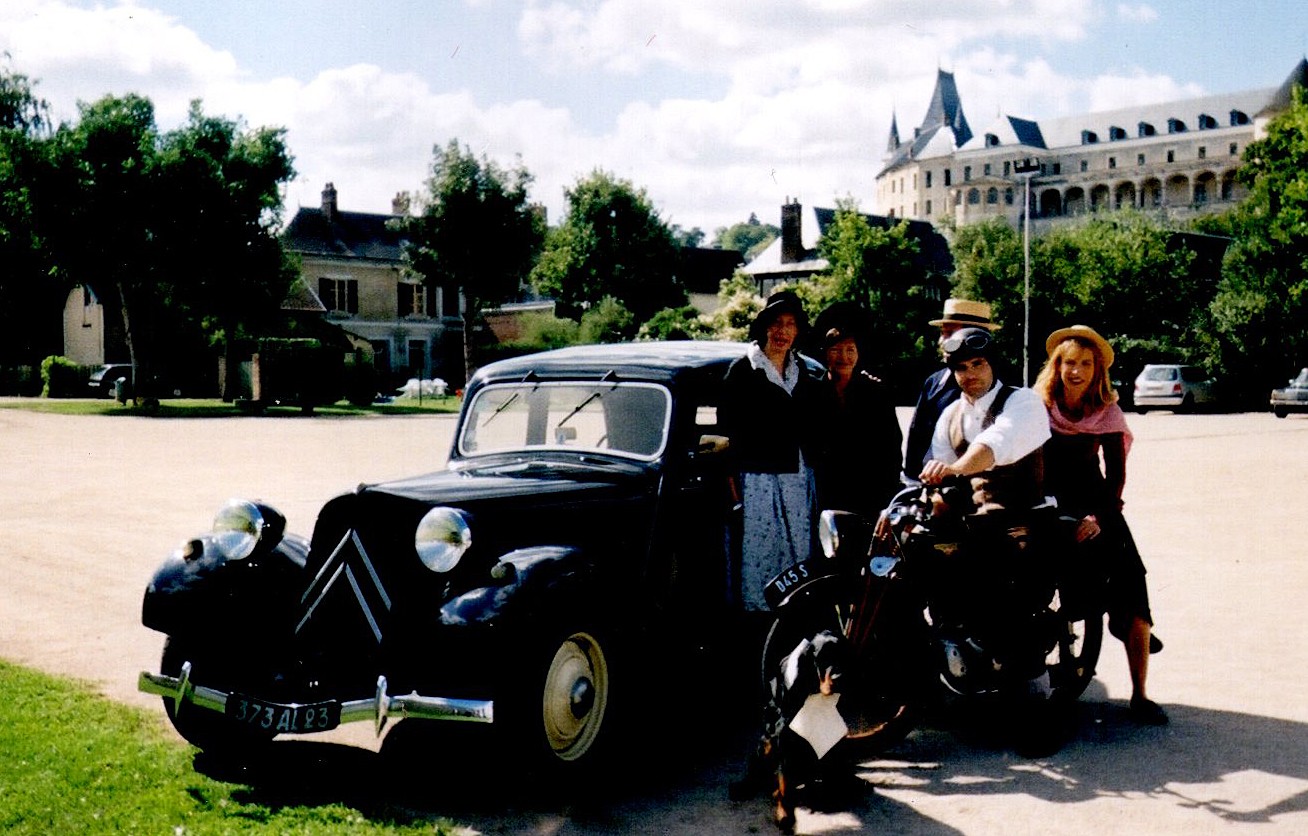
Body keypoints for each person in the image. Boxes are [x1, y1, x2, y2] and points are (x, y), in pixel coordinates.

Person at [1035, 325, 1168, 725]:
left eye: (1086, 365)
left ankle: (1140, 694)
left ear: (1097, 371)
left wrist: (1098, 518)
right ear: (1056, 367)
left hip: (1098, 507)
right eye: (1070, 363)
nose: (1077, 371)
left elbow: (1115, 479)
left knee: (1132, 586)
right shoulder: (1037, 406)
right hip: (1047, 505)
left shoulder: (1107, 410)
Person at [720, 290, 825, 612]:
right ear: (764, 327)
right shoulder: (743, 371)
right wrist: (731, 482)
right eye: (776, 323)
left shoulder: (804, 372)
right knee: (761, 555)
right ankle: (759, 621)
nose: (782, 332)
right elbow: (726, 433)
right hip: (758, 479)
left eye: (790, 324)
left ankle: (794, 618)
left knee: (798, 553)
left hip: (797, 475)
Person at [812, 316, 903, 516]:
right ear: (825, 354)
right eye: (835, 350)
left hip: (870, 494)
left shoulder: (877, 393)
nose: (843, 357)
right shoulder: (812, 393)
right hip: (826, 493)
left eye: (850, 350)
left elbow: (892, 448)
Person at [904, 298, 1002, 479]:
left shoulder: (1000, 388)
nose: (942, 341)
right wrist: (911, 478)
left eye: (949, 334)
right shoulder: (934, 381)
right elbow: (916, 435)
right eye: (942, 333)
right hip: (927, 483)